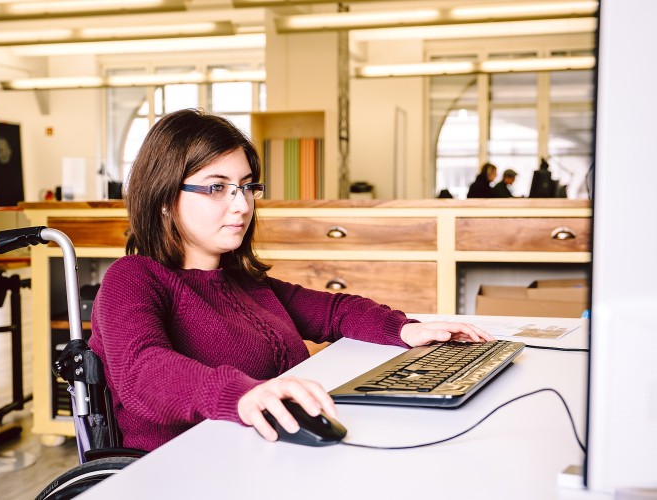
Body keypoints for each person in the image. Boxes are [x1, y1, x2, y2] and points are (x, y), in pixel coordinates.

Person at [88, 108, 494, 452]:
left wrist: (405, 329)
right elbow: (143, 371)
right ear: (162, 198)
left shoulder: (243, 282)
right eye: (217, 187)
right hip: (189, 470)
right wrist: (243, 394)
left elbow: (335, 311)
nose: (241, 205)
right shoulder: (134, 278)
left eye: (247, 187)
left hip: (272, 456)